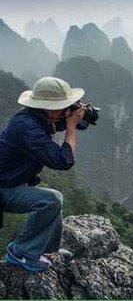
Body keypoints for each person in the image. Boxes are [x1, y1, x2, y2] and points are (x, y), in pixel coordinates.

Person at [0, 77, 87, 273]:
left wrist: (78, 115)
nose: (66, 110)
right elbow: (63, 160)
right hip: (4, 189)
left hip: (15, 183)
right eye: (63, 106)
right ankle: (21, 252)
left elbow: (68, 123)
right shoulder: (27, 127)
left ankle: (47, 250)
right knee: (51, 200)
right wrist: (71, 126)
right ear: (48, 107)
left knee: (52, 201)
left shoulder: (38, 117)